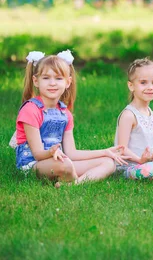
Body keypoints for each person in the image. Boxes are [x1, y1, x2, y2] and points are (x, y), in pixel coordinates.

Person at [14, 50, 125, 184]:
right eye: (46, 78)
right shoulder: (31, 110)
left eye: (58, 78)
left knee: (108, 163)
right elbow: (37, 154)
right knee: (66, 165)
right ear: (36, 81)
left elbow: (72, 153)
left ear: (68, 82)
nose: (52, 83)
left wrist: (105, 152)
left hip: (60, 162)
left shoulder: (65, 113)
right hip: (33, 165)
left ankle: (74, 185)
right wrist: (50, 152)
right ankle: (72, 179)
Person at [114, 58, 153, 180]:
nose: (150, 87)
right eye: (143, 82)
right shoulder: (129, 115)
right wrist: (140, 160)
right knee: (151, 169)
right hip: (128, 168)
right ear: (131, 86)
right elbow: (121, 149)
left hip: (148, 165)